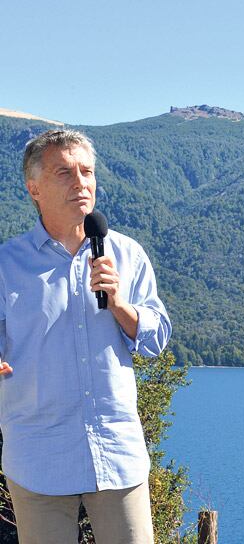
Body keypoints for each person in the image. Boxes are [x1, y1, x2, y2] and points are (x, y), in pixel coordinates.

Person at [0, 129, 171, 544]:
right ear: (34, 188)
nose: (81, 182)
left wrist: (119, 304)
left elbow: (156, 337)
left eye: (87, 171)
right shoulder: (7, 263)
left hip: (117, 453)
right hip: (39, 455)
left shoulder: (126, 254)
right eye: (65, 172)